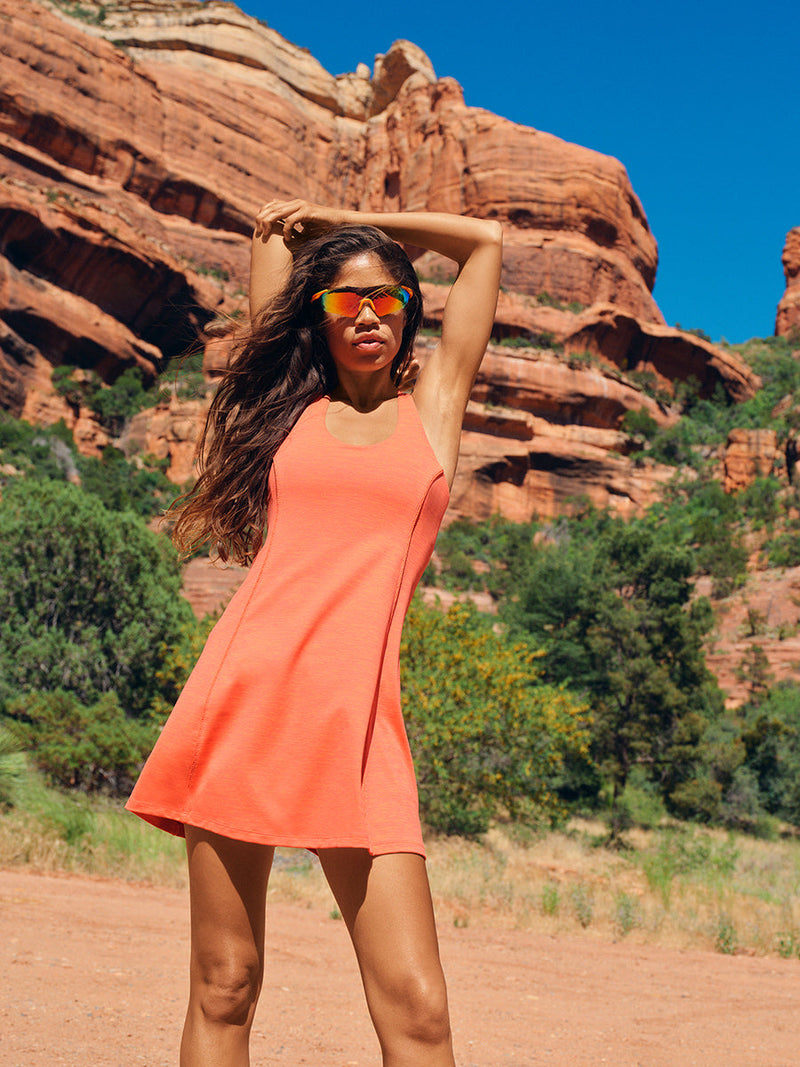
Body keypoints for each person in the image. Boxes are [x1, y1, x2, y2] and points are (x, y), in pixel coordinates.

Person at [126, 198, 503, 1066]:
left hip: (362, 723)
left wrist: (349, 221)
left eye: (385, 301)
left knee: (417, 1008)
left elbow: (484, 244)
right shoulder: (285, 408)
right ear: (317, 317)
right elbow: (271, 237)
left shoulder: (436, 406)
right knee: (225, 982)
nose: (365, 316)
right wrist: (321, 249)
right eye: (343, 302)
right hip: (247, 699)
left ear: (411, 313)